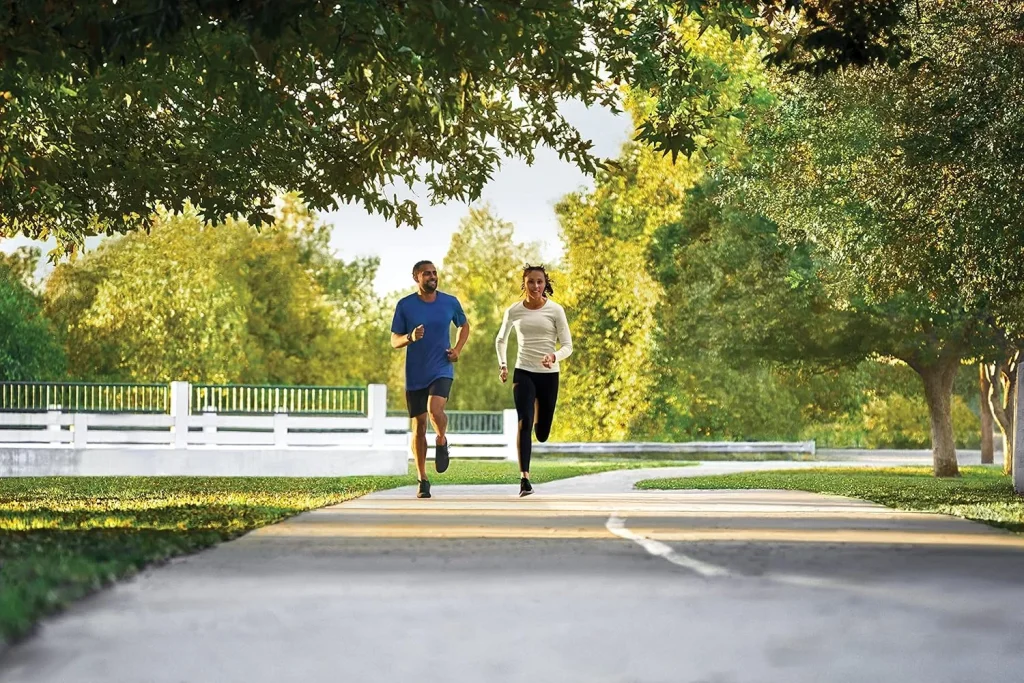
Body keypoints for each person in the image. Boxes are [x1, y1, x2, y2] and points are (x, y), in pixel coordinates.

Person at [391, 260, 471, 499]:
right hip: (416, 372)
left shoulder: (450, 302)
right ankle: (422, 479)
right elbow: (394, 340)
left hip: (441, 367)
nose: (433, 276)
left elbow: (464, 326)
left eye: (434, 273)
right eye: (427, 274)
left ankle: (441, 439)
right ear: (416, 277)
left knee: (435, 410)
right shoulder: (405, 305)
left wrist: (457, 349)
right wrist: (410, 337)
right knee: (419, 426)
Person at [495, 264, 573, 497]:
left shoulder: (556, 310)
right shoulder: (514, 311)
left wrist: (554, 356)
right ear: (524, 284)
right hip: (524, 372)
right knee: (524, 422)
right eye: (531, 282)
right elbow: (501, 339)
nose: (535, 286)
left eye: (539, 282)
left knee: (542, 433)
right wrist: (503, 364)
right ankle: (524, 480)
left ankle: (540, 412)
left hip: (549, 375)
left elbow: (568, 346)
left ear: (545, 283)